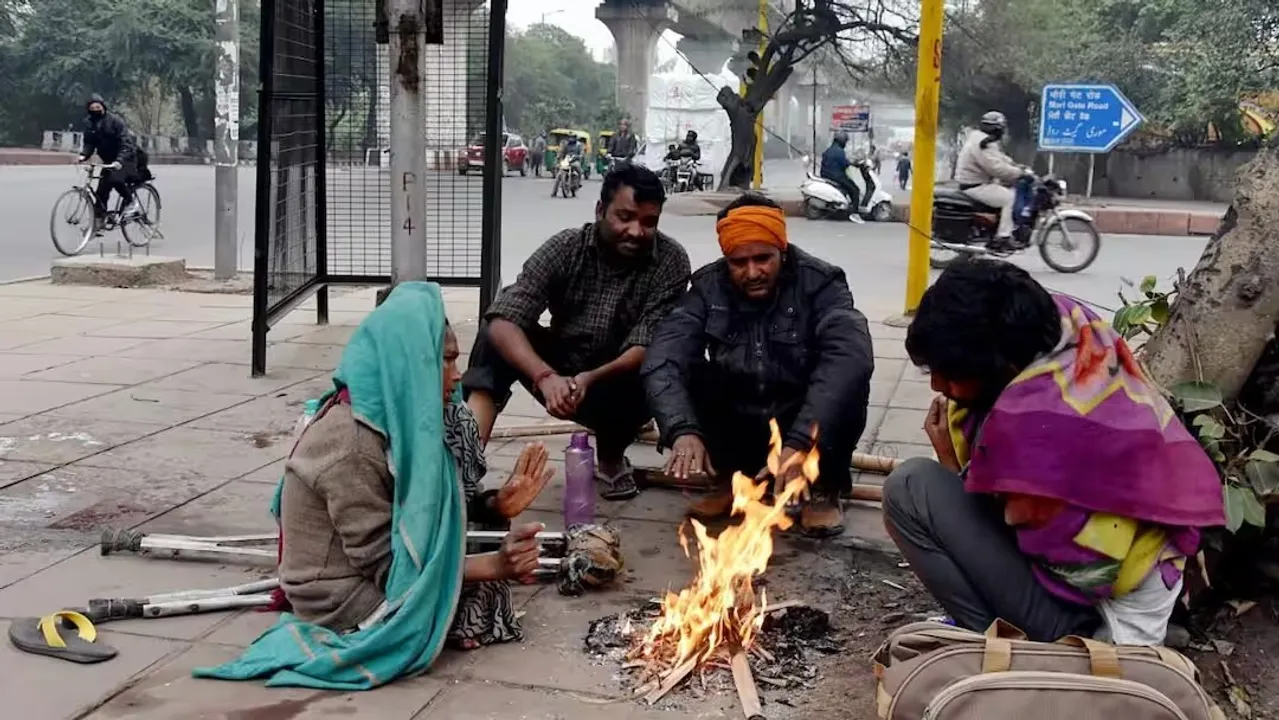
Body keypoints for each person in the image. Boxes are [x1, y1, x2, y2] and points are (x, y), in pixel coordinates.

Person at [196, 282, 554, 688]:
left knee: (480, 576)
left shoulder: (404, 416)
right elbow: (388, 566)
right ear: (407, 365)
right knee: (472, 601)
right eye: (444, 362)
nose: (457, 377)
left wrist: (495, 506)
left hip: (372, 564)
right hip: (337, 596)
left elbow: (426, 507)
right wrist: (493, 566)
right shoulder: (352, 444)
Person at [881, 259, 1225, 645]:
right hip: (1142, 575)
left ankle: (999, 645)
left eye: (949, 373)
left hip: (1096, 619)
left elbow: (1058, 566)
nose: (937, 385)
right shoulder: (1069, 324)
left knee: (910, 489)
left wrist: (949, 460)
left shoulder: (1031, 434)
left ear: (1003, 366)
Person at [642, 194, 875, 537]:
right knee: (692, 371)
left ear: (782, 250)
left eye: (763, 259)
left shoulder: (821, 282)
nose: (752, 272)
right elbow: (663, 357)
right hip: (743, 418)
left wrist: (799, 442)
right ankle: (731, 479)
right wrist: (681, 429)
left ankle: (822, 487)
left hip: (803, 418)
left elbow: (850, 354)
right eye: (739, 262)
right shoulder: (708, 288)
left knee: (847, 378)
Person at [464, 164, 691, 501]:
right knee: (493, 332)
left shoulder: (670, 261)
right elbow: (505, 317)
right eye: (625, 217)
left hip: (621, 376)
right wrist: (544, 377)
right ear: (600, 210)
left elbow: (648, 344)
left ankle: (611, 458)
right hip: (560, 367)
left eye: (648, 222)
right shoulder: (566, 247)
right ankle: (464, 466)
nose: (636, 231)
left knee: (657, 362)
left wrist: (589, 378)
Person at [954, 111, 1030, 246]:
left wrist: (1015, 165)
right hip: (975, 186)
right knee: (1009, 198)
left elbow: (999, 158)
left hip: (976, 183)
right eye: (1002, 128)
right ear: (996, 128)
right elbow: (996, 168)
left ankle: (998, 229)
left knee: (1007, 191)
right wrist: (1019, 173)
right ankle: (1003, 237)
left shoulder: (982, 139)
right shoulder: (982, 143)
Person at [78, 94, 140, 225]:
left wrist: (119, 160)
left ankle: (131, 202)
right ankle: (98, 222)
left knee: (115, 179)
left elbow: (126, 143)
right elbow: (89, 143)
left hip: (125, 160)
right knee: (101, 190)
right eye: (92, 108)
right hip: (108, 161)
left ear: (103, 107)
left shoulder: (115, 121)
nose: (95, 110)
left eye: (98, 107)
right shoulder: (90, 124)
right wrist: (83, 155)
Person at [819, 132, 864, 224]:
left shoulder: (829, 150)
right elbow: (844, 164)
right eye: (845, 141)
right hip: (837, 176)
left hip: (826, 175)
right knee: (855, 190)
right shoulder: (839, 151)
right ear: (841, 141)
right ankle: (855, 213)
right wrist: (854, 164)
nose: (845, 144)